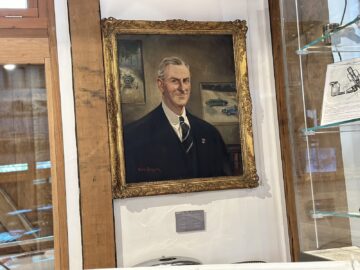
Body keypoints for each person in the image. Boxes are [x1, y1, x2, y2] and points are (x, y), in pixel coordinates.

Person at [123, 56, 232, 183]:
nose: (182, 88)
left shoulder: (210, 133)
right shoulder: (134, 135)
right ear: (161, 85)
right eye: (175, 81)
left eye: (186, 81)